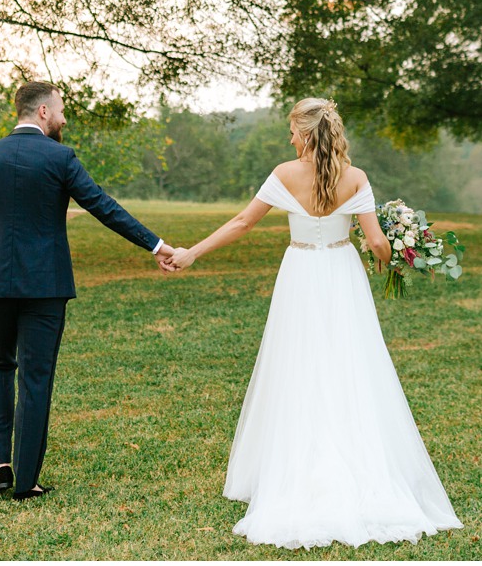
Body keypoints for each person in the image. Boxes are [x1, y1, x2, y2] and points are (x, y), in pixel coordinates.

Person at [164, 97, 462, 549]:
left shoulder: (285, 174)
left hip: (301, 275)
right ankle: (359, 463)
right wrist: (399, 251)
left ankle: (298, 465)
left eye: (292, 131)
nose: (289, 138)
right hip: (342, 275)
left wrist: (190, 253)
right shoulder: (355, 177)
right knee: (350, 365)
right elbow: (378, 243)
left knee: (299, 366)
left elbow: (243, 222)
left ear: (305, 133)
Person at [0, 81, 178, 500]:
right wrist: (155, 244)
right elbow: (102, 205)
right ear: (42, 112)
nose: (63, 118)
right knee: (37, 378)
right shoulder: (60, 157)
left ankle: (0, 465)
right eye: (60, 110)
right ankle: (25, 482)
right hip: (45, 285)